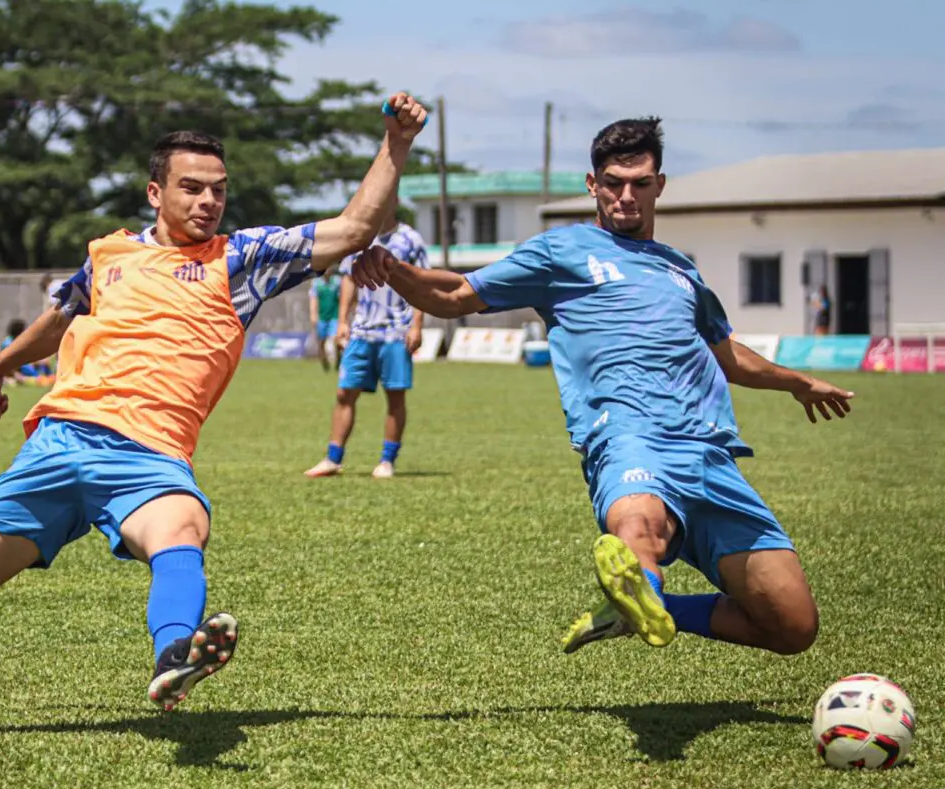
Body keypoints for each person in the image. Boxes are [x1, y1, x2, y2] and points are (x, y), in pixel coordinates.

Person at [0, 93, 428, 733]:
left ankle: (176, 655)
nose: (209, 201)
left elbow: (353, 229)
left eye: (218, 190)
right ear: (156, 192)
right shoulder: (110, 255)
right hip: (58, 443)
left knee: (181, 530)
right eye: (192, 188)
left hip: (149, 456)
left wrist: (394, 143)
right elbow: (61, 315)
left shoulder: (243, 260)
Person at [347, 117, 855, 659]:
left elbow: (725, 354)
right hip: (630, 438)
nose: (625, 196)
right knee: (639, 528)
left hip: (713, 456)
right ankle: (640, 586)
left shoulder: (682, 270)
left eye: (639, 183)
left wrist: (796, 382)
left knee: (792, 624)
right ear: (593, 185)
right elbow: (456, 293)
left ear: (660, 184)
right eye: (613, 182)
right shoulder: (561, 253)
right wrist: (395, 272)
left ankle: (640, 606)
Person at [304, 210, 428, 479]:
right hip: (361, 331)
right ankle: (332, 459)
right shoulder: (360, 238)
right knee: (344, 393)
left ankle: (387, 461)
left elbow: (421, 283)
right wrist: (342, 322)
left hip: (396, 331)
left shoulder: (411, 239)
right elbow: (349, 279)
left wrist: (417, 325)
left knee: (395, 396)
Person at [1, 319, 55, 386]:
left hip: (21, 366)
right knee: (38, 367)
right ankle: (45, 378)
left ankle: (50, 377)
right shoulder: (8, 344)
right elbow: (9, 362)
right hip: (18, 370)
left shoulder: (17, 341)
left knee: (44, 363)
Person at [308, 271, 343, 371]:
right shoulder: (316, 283)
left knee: (336, 339)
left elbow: (341, 298)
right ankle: (324, 362)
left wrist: (343, 316)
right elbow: (313, 300)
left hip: (334, 316)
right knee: (321, 343)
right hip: (322, 318)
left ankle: (338, 359)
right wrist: (313, 315)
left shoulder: (337, 281)